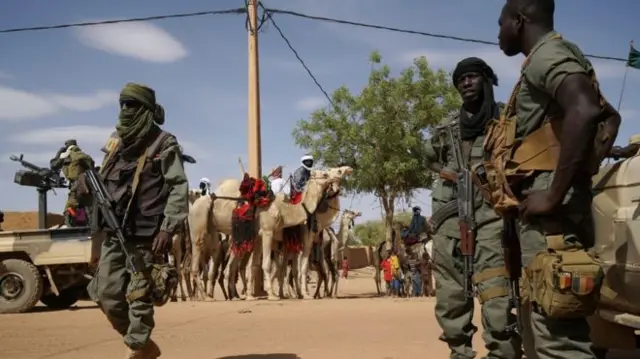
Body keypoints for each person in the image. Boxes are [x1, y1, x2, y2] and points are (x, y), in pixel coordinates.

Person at [493, 1, 620, 358]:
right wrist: (583, 171)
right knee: (553, 322)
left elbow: (586, 109)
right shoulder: (555, 56)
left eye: (500, 23)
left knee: (558, 336)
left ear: (518, 21)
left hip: (552, 218)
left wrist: (553, 193)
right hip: (557, 211)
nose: (498, 32)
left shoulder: (548, 55)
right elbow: (611, 120)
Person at [423, 56, 522, 358]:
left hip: (494, 217)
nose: (466, 83)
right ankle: (459, 352)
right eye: (460, 79)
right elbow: (429, 157)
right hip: (451, 219)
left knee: (497, 294)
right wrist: (451, 174)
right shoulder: (448, 128)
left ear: (486, 79)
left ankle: (502, 352)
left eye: (472, 77)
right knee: (451, 294)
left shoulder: (507, 120)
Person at [86, 83, 189, 359]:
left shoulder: (163, 143)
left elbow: (179, 187)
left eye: (132, 105)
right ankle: (143, 345)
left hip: (147, 234)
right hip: (114, 231)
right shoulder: (115, 141)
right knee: (105, 295)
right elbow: (103, 180)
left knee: (139, 297)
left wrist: (168, 228)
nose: (126, 110)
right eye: (123, 105)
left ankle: (135, 347)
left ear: (146, 110)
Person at [50, 139, 94, 227]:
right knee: (81, 206)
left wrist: (59, 154)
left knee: (70, 207)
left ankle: (72, 226)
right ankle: (82, 224)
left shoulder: (69, 155)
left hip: (77, 185)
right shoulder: (83, 155)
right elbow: (91, 165)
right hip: (86, 185)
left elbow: (53, 165)